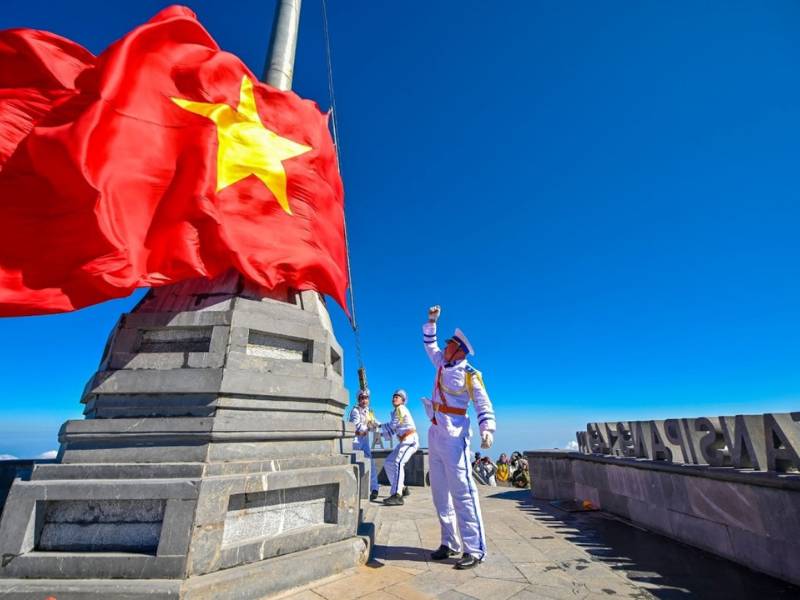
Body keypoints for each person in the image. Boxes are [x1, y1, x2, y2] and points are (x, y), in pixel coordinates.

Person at [421, 304, 496, 570]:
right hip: (435, 430)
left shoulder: (470, 374)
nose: (445, 345)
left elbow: (483, 403)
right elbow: (429, 345)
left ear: (460, 349)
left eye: (449, 343)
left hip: (455, 434)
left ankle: (474, 550)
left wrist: (487, 429)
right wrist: (432, 321)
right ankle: (449, 542)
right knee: (440, 493)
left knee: (463, 492)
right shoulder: (442, 361)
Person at [380, 389, 420, 506]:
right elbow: (392, 431)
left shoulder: (400, 409)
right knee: (389, 462)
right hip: (404, 441)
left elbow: (392, 426)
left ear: (403, 401)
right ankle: (401, 488)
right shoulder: (396, 411)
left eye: (398, 397)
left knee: (398, 462)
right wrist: (376, 428)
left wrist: (376, 425)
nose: (395, 398)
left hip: (410, 440)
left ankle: (397, 495)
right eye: (394, 396)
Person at [348, 388, 379, 501]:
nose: (364, 400)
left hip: (364, 440)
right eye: (362, 398)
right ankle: (353, 489)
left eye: (366, 398)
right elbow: (357, 425)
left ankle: (374, 488)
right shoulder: (355, 411)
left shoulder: (370, 411)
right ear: (358, 399)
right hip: (355, 441)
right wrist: (369, 427)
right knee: (354, 465)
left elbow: (374, 422)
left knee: (371, 463)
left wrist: (381, 427)